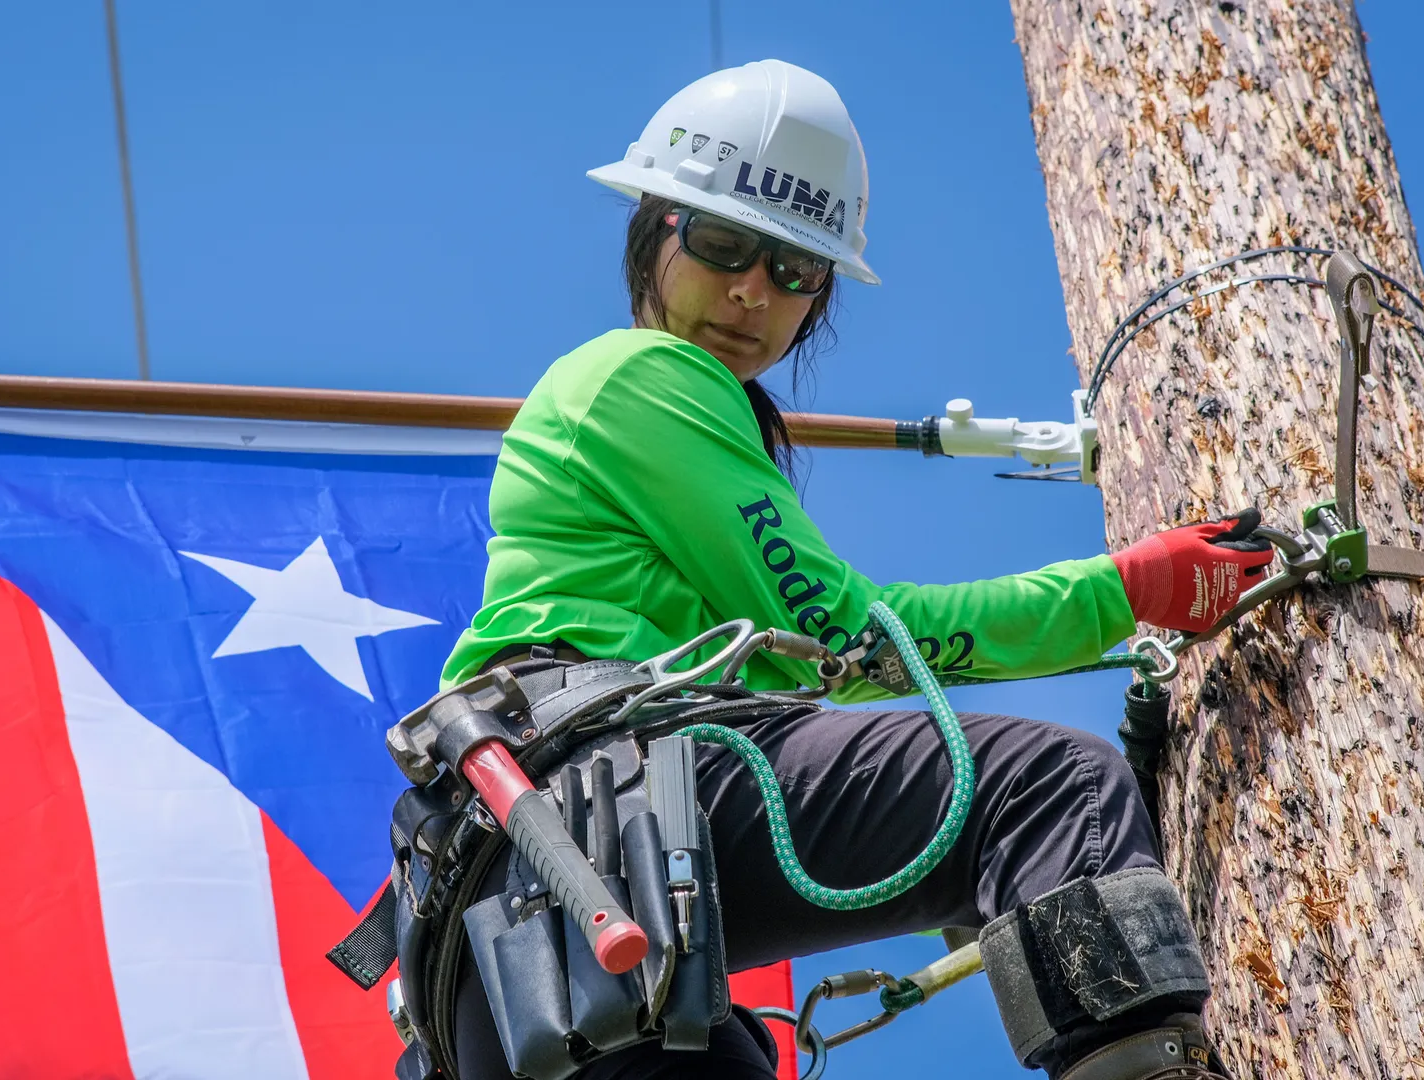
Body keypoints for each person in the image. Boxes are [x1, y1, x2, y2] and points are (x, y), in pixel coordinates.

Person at [433, 60, 1270, 1080]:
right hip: (592, 826)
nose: (752, 290)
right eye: (723, 242)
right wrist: (1121, 592)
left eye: (793, 269)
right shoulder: (638, 373)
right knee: (1049, 788)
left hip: (530, 946)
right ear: (651, 227)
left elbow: (809, 676)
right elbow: (841, 637)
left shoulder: (678, 425)